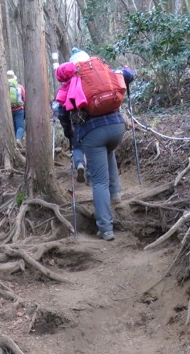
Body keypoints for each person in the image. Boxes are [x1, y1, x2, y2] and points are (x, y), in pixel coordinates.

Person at [56, 48, 134, 241]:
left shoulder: (71, 82)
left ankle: (105, 228)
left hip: (93, 133)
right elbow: (128, 76)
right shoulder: (102, 71)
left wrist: (69, 135)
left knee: (99, 181)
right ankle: (115, 196)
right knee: (108, 153)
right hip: (117, 127)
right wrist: (127, 70)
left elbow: (62, 112)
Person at [7, 70, 26, 141]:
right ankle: (18, 140)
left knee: (13, 127)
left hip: (8, 111)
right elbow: (24, 99)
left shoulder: (4, 88)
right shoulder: (20, 87)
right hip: (19, 110)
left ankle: (13, 142)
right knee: (20, 127)